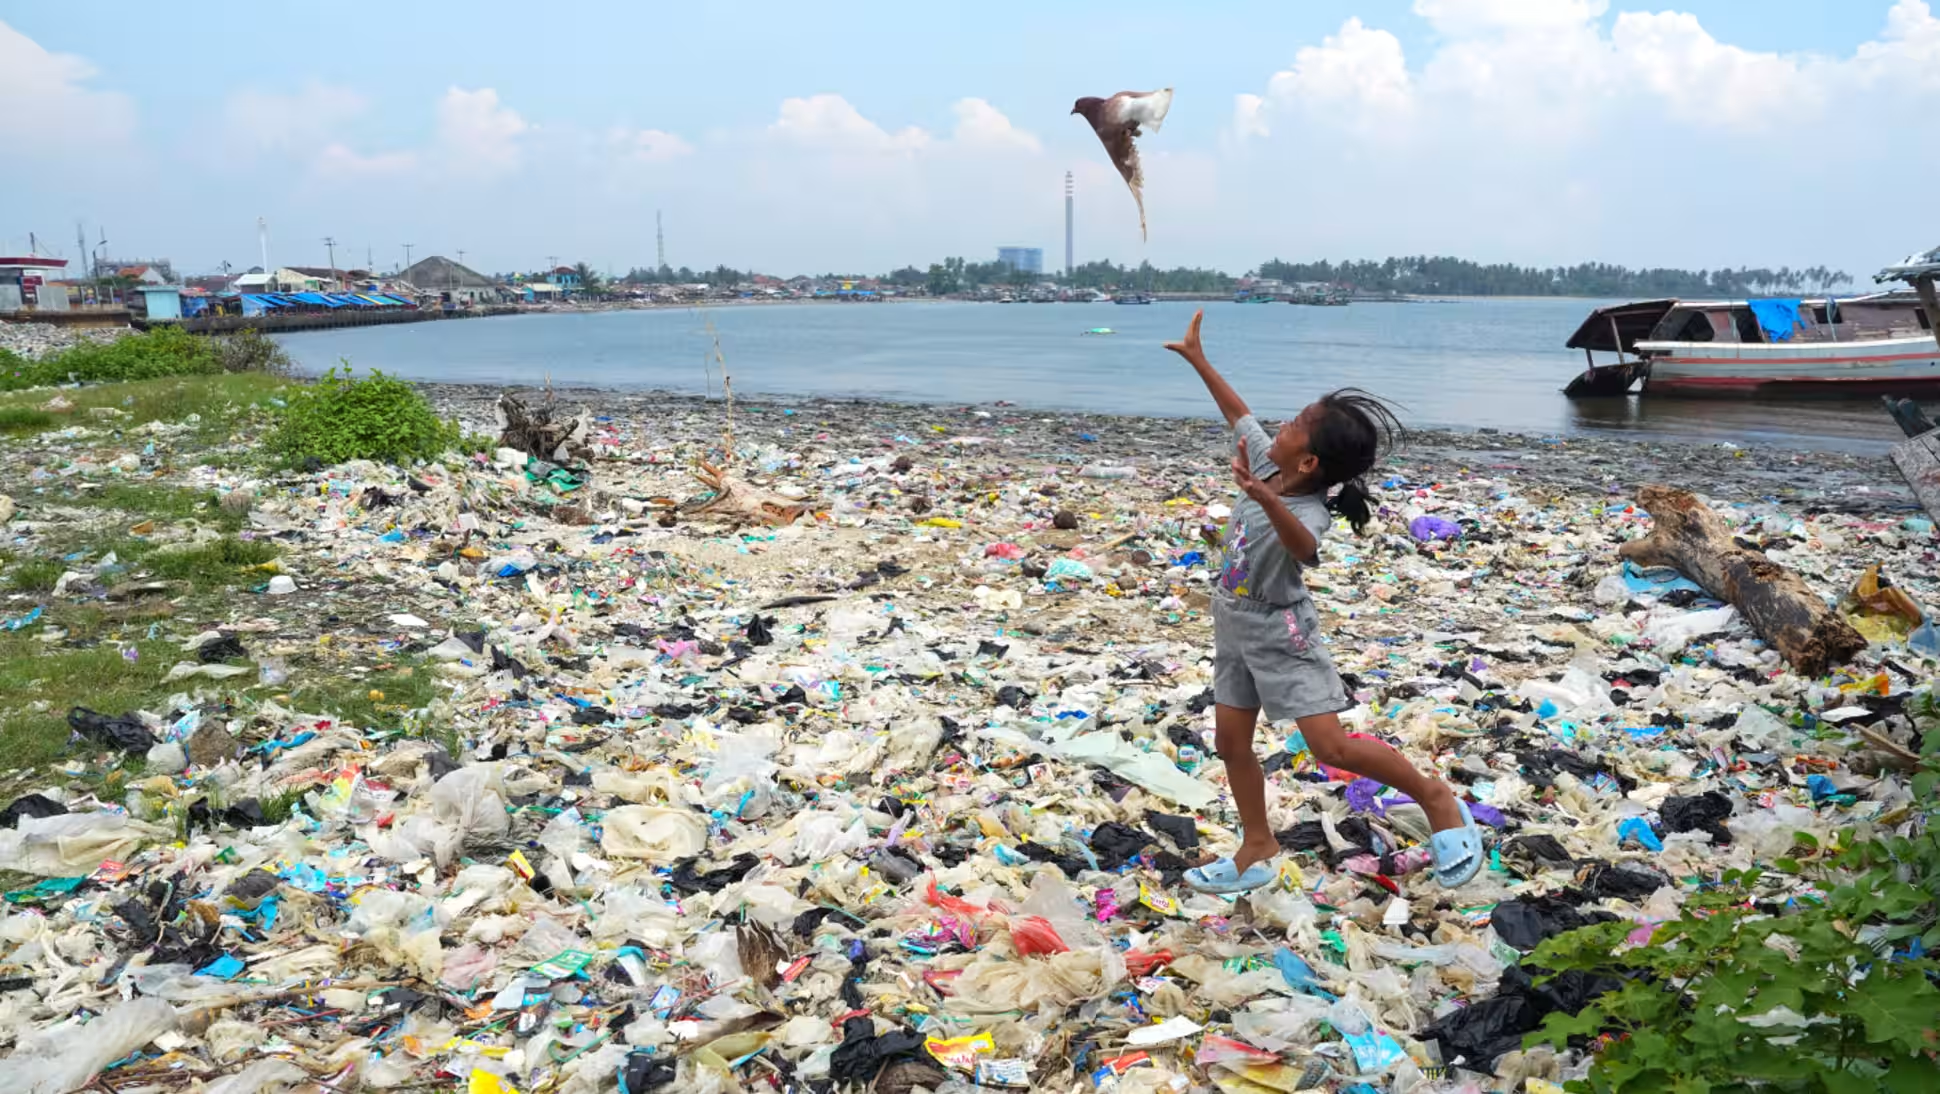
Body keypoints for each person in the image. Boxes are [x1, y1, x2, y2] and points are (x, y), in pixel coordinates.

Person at [1163, 310, 1483, 894]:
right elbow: (1238, 413)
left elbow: (1303, 548)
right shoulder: (1266, 462)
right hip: (1233, 625)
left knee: (1330, 746)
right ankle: (1257, 843)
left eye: (1293, 426)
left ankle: (1437, 799)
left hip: (1282, 635)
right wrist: (1199, 359)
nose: (1279, 426)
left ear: (1308, 463)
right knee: (1230, 742)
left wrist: (1264, 497)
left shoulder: (1306, 508)